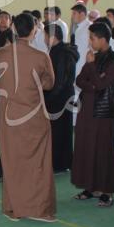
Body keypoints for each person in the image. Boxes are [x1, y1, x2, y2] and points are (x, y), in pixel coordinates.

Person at [0, 13, 56, 222]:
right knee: (37, 162)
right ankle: (38, 209)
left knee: (12, 160)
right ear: (34, 30)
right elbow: (49, 83)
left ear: (13, 29)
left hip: (8, 113)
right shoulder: (41, 56)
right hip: (32, 114)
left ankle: (12, 208)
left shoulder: (2, 53)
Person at [71, 22, 114, 208]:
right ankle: (90, 187)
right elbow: (79, 80)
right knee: (87, 148)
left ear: (103, 39)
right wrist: (93, 82)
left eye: (92, 38)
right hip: (87, 111)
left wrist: (93, 74)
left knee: (103, 151)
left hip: (104, 114)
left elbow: (102, 85)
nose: (90, 42)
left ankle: (106, 191)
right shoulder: (94, 58)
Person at [44, 23, 78, 173]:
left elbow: (60, 79)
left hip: (59, 97)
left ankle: (57, 163)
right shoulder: (60, 50)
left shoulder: (61, 53)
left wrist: (50, 96)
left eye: (45, 36)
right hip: (64, 95)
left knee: (57, 131)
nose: (44, 39)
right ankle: (64, 162)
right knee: (64, 129)